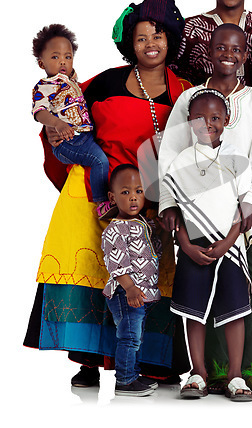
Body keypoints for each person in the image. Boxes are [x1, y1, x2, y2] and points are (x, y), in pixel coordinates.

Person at [24, 0, 192, 388]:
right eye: (141, 38)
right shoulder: (103, 82)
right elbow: (61, 111)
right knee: (93, 273)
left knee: (148, 280)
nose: (150, 45)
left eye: (158, 36)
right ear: (129, 45)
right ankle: (88, 361)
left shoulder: (182, 91)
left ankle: (151, 363)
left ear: (170, 40)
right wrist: (53, 127)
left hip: (148, 201)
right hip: (94, 196)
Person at [158, 23, 252, 393]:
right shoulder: (190, 99)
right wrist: (169, 206)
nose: (227, 55)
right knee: (201, 289)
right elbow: (169, 157)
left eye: (236, 50)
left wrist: (250, 207)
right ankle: (210, 371)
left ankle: (246, 370)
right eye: (220, 49)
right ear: (209, 53)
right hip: (196, 213)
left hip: (242, 212)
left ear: (245, 56)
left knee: (251, 288)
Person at [163, 89, 252, 401]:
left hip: (230, 244)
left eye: (215, 118)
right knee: (193, 310)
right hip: (194, 245)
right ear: (189, 121)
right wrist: (185, 246)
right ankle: (197, 372)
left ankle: (236, 376)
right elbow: (173, 205)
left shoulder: (237, 158)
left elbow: (245, 205)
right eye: (200, 118)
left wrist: (228, 242)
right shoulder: (180, 161)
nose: (207, 124)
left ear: (226, 120)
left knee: (235, 310)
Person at [31, 24, 112, 219]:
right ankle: (102, 203)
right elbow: (39, 112)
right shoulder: (44, 87)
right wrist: (55, 124)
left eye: (68, 57)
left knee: (108, 152)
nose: (63, 62)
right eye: (55, 57)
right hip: (67, 142)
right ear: (42, 64)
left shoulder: (70, 80)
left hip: (85, 136)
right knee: (98, 160)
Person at [102, 164, 160, 397]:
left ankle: (133, 373)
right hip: (125, 294)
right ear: (112, 197)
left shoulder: (142, 223)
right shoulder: (115, 230)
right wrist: (130, 288)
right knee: (129, 336)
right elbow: (116, 263)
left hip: (140, 294)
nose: (133, 198)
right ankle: (125, 381)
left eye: (138, 191)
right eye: (125, 192)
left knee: (137, 336)